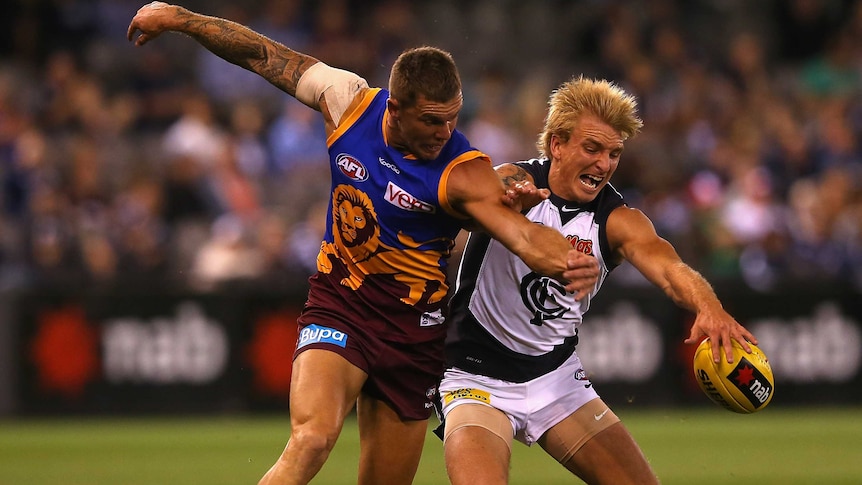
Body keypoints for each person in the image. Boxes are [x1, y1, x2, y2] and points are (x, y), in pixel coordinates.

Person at [127, 3, 600, 485]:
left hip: (413, 332)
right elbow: (261, 54)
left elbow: (521, 235)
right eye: (433, 121)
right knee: (311, 438)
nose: (446, 133)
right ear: (395, 108)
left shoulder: (463, 171)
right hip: (342, 305)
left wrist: (571, 260)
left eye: (453, 120)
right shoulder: (348, 101)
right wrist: (180, 19)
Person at [437, 76, 759, 485]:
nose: (604, 164)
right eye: (592, 148)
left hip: (555, 379)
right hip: (475, 378)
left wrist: (710, 309)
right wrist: (503, 203)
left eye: (614, 153)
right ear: (557, 144)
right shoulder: (514, 181)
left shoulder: (617, 220)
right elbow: (473, 195)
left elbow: (670, 268)